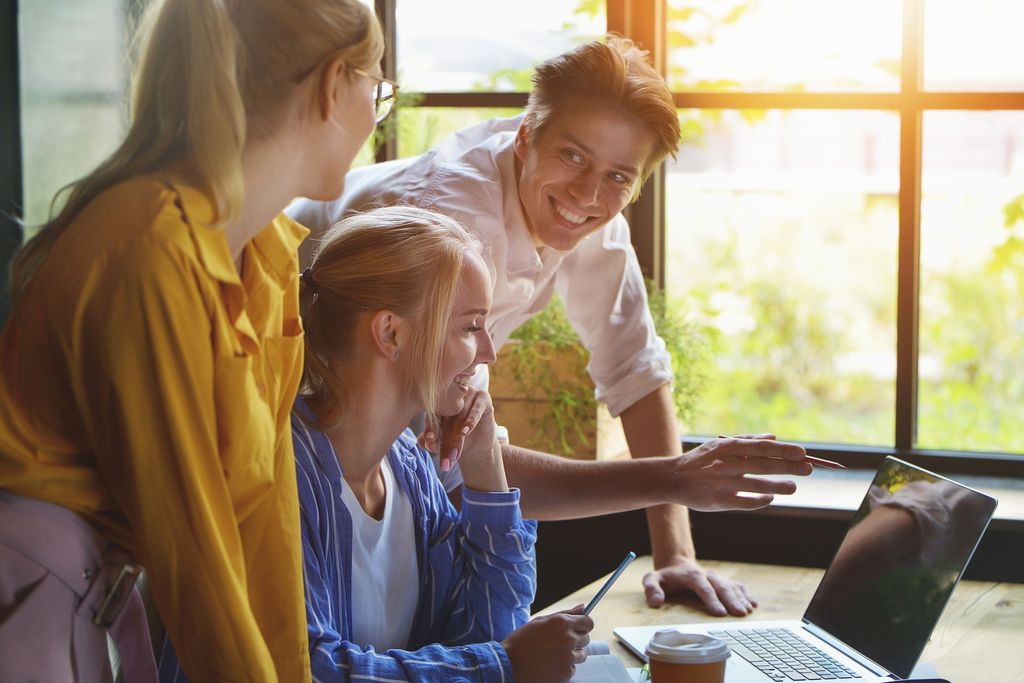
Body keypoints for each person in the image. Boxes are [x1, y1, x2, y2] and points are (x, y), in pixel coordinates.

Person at [288, 36, 813, 618]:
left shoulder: (586, 214)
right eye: (572, 156)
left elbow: (635, 370)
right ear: (524, 136)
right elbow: (451, 457)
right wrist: (676, 477)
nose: (588, 194)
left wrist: (675, 555)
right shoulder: (456, 230)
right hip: (293, 408)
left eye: (619, 176)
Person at [0, 0, 386, 680]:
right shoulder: (148, 246)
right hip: (28, 611)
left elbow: (266, 530)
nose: (373, 111)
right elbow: (193, 549)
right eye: (377, 86)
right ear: (334, 85)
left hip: (92, 608)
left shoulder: (266, 257)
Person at [292, 205, 593, 682]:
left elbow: (489, 630)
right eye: (471, 327)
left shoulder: (408, 466)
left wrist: (483, 458)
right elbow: (309, 668)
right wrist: (504, 665)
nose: (489, 352)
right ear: (392, 332)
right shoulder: (285, 473)